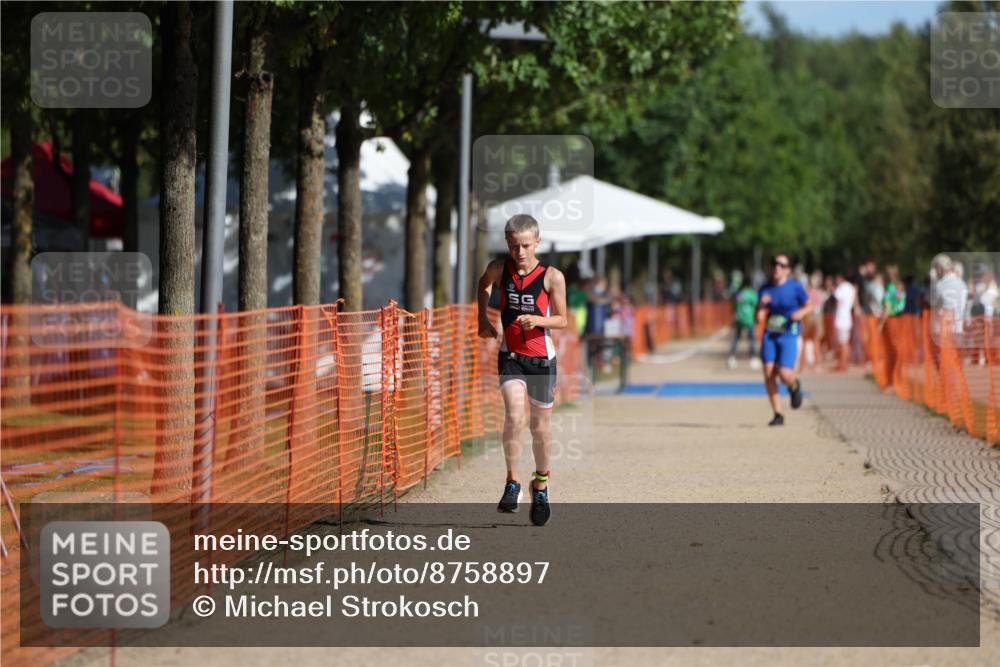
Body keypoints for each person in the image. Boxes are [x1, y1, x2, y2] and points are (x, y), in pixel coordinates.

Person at [477, 214, 568, 526]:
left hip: (542, 359)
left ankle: (540, 485)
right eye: (514, 246)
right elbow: (483, 285)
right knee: (515, 415)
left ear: (537, 242)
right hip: (511, 356)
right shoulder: (499, 269)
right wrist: (483, 320)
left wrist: (538, 320)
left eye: (526, 245)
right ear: (507, 244)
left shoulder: (552, 276)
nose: (520, 252)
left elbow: (562, 319)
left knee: (539, 427)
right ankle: (512, 482)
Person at [757, 253, 813, 426]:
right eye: (774, 264)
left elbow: (810, 305)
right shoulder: (765, 288)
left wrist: (800, 313)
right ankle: (778, 414)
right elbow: (758, 314)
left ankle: (794, 386)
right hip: (770, 333)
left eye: (781, 265)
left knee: (784, 373)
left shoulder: (795, 287)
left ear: (787, 270)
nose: (776, 267)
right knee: (768, 371)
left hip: (789, 332)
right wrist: (760, 308)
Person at [727, 274, 760, 369]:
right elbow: (757, 305)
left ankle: (731, 358)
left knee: (737, 338)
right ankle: (753, 359)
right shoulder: (753, 294)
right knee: (752, 339)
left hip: (740, 319)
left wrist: (735, 315)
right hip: (749, 319)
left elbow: (735, 306)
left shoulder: (740, 293)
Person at [831, 271, 857, 372]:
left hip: (841, 318)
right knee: (845, 342)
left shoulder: (842, 287)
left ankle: (842, 364)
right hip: (847, 317)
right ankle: (844, 363)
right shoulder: (852, 288)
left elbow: (837, 299)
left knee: (842, 343)